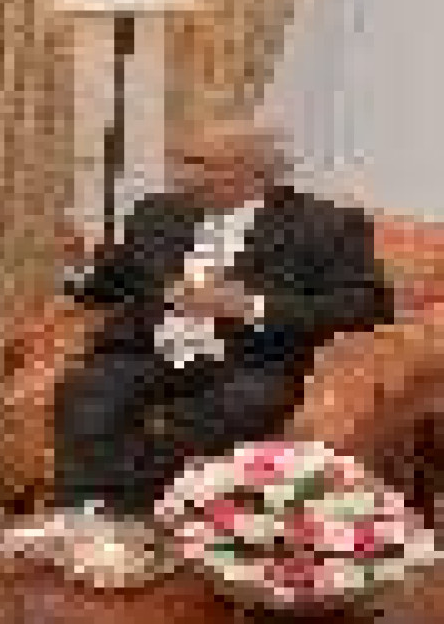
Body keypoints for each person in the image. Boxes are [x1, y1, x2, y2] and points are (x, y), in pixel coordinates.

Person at [54, 118, 395, 517]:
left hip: (249, 361)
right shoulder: (157, 213)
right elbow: (115, 283)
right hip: (150, 351)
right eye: (180, 161)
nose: (181, 176)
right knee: (89, 394)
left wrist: (250, 306)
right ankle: (82, 520)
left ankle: (136, 515)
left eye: (198, 164)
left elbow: (367, 305)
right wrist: (81, 266)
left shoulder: (326, 225)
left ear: (254, 172)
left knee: (218, 415)